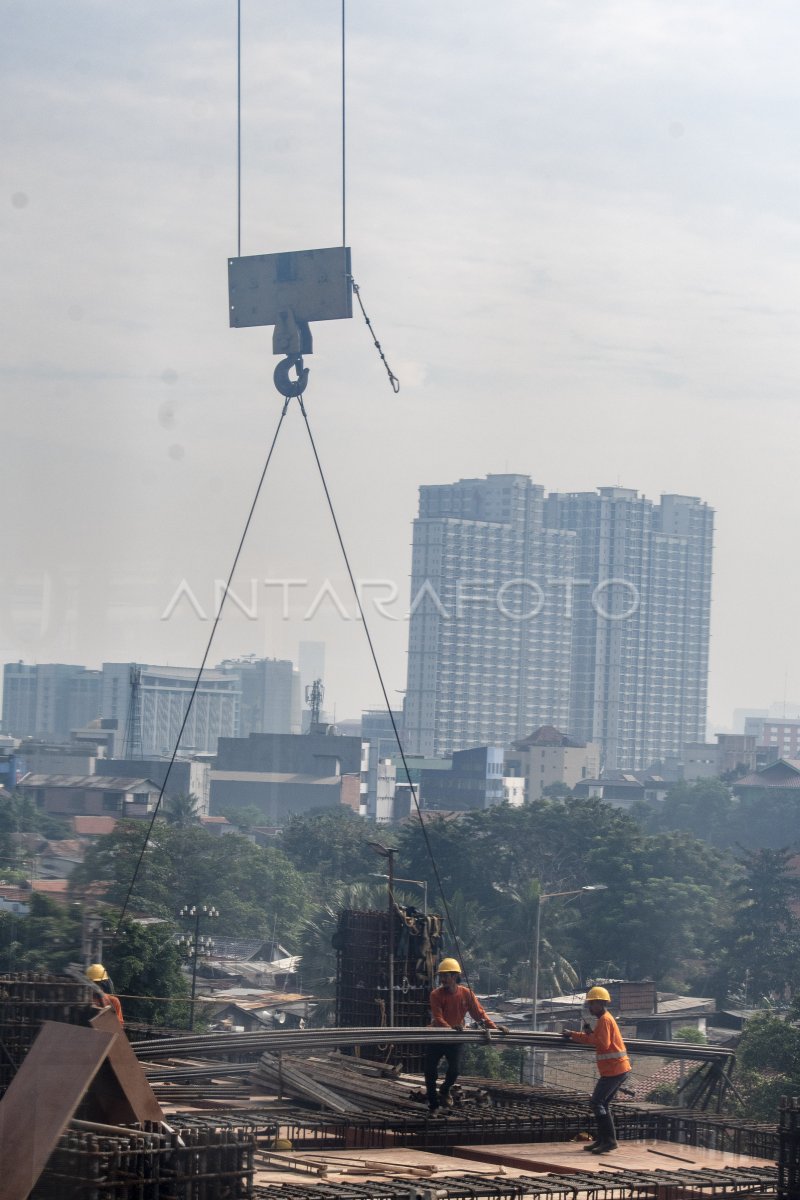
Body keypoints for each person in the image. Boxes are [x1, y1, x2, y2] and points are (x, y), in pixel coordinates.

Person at [424, 957, 502, 1114]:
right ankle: (433, 1106)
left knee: (454, 1071)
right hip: (438, 1037)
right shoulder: (436, 994)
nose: (442, 979)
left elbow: (479, 1014)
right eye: (441, 976)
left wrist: (495, 1028)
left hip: (456, 1038)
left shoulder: (466, 994)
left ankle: (444, 1091)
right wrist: (451, 1028)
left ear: (455, 976)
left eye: (446, 975)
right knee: (430, 1072)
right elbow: (438, 1018)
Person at [562, 985, 630, 1153]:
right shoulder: (604, 1020)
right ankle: (603, 1140)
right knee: (603, 1104)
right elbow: (598, 1039)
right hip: (616, 1069)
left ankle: (609, 1141)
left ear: (600, 1003)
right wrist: (582, 1034)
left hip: (614, 1070)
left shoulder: (605, 1020)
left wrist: (576, 1035)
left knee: (597, 1102)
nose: (589, 1007)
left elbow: (602, 1043)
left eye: (592, 1004)